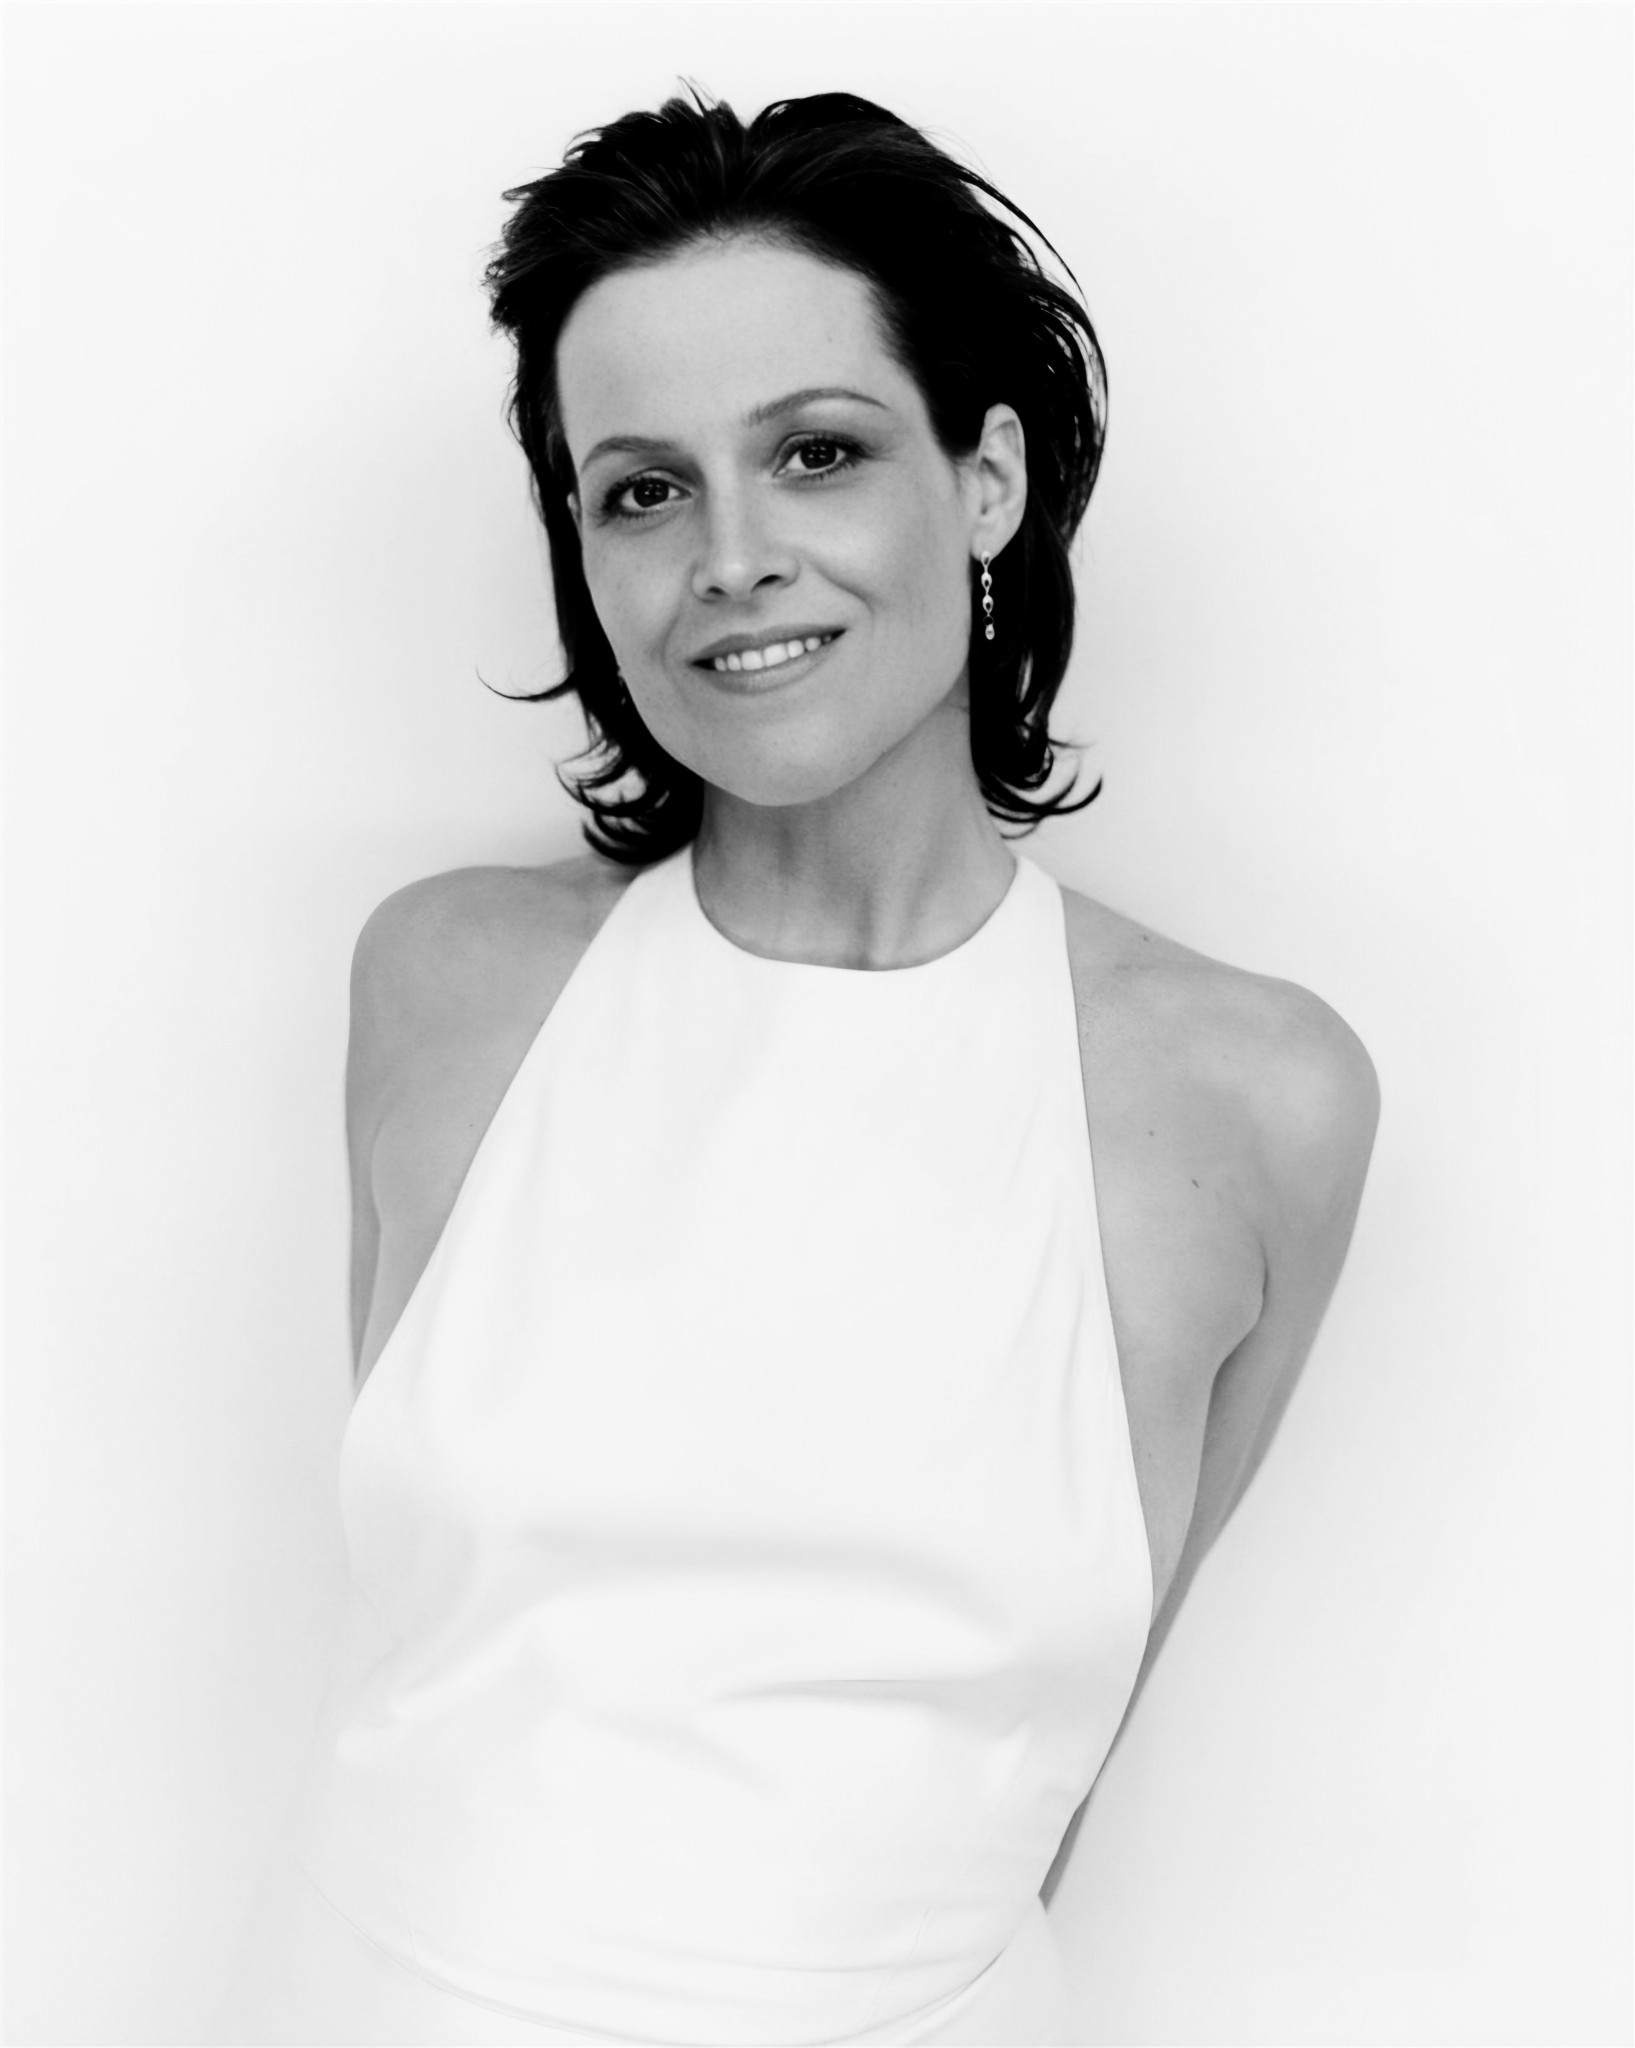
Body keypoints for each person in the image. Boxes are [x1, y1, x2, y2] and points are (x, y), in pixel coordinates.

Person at [217, 88, 1380, 2047]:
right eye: (642, 491)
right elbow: (452, 1656)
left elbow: (1054, 1775)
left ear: (985, 478)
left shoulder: (1252, 1098)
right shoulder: (445, 983)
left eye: (817, 453)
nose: (729, 558)